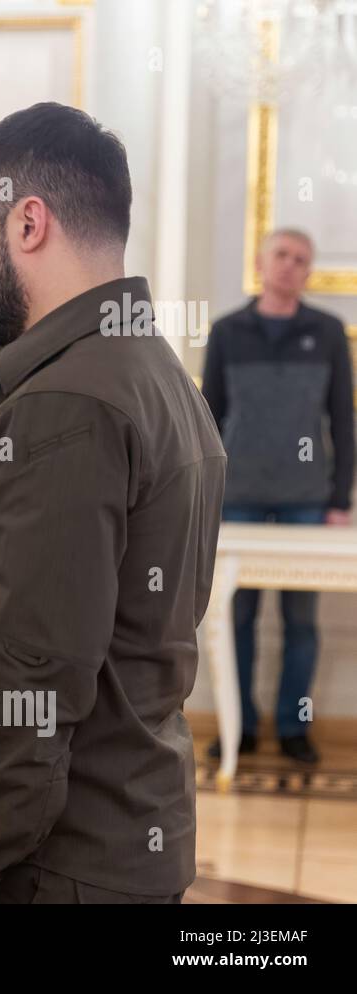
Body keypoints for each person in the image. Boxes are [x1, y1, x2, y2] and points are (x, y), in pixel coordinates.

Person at [0, 102, 226, 903]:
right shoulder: (154, 374)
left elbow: (29, 679)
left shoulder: (66, 403)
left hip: (50, 865)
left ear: (28, 222)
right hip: (124, 837)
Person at [201, 228, 354, 765]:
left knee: (301, 621)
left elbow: (343, 420)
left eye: (302, 260)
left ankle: (294, 725)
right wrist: (205, 493)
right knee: (236, 617)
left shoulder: (329, 332)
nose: (291, 266)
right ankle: (237, 726)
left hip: (307, 500)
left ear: (308, 272)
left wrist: (339, 499)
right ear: (262, 263)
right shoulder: (226, 332)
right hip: (237, 496)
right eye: (282, 256)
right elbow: (207, 419)